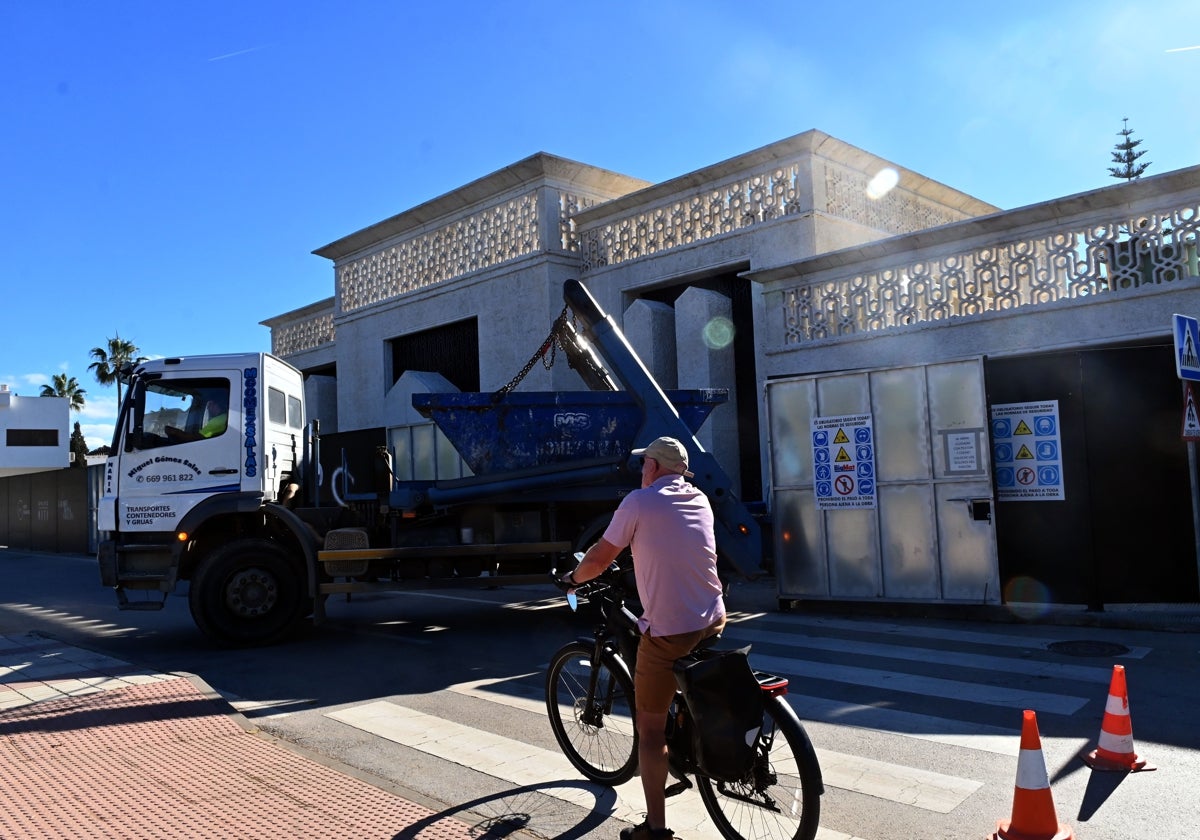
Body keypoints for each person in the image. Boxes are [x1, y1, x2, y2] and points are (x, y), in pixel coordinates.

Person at [561, 436, 725, 840]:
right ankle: (688, 736)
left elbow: (599, 558)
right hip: (714, 618)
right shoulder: (700, 499)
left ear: (653, 466)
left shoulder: (639, 501)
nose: (640, 470)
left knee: (649, 731)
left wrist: (572, 579)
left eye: (643, 463)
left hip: (671, 631)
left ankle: (655, 829)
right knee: (680, 678)